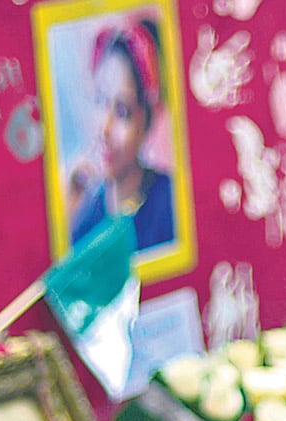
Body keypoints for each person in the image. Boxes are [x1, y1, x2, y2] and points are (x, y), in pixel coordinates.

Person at [67, 16, 175, 253]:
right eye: (101, 101)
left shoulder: (172, 203)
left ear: (147, 120)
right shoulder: (84, 222)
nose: (105, 128)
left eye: (122, 112)